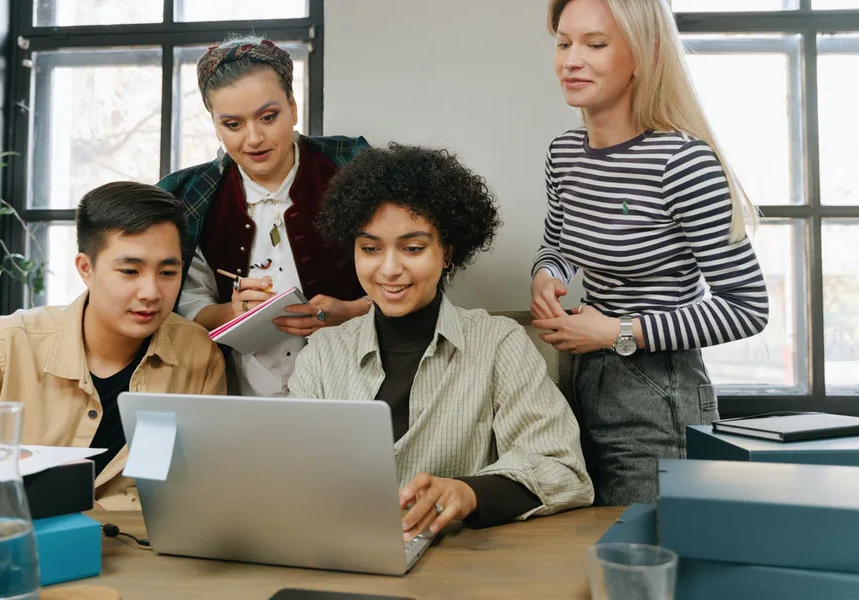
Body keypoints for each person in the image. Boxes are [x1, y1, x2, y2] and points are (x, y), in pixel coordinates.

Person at [531, 0, 770, 506]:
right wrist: (547, 275)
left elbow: (747, 308)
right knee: (587, 546)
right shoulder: (564, 153)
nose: (571, 60)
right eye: (563, 43)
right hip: (582, 379)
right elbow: (559, 246)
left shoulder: (683, 163)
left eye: (596, 44)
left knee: (647, 549)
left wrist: (614, 331)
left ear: (644, 55)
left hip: (660, 390)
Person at [288, 144, 593, 539]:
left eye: (412, 248)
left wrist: (467, 493)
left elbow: (563, 469)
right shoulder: (323, 354)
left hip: (461, 564)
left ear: (447, 251)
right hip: (342, 554)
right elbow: (290, 474)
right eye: (370, 249)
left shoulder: (498, 344)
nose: (390, 269)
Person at [0, 182, 225, 509]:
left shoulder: (197, 355)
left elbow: (203, 487)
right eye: (129, 271)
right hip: (20, 534)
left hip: (141, 539)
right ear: (85, 268)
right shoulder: (1, 346)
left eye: (167, 272)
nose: (151, 292)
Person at [159, 36, 372, 397]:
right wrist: (230, 312)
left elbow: (409, 272)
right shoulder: (189, 194)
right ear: (215, 124)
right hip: (239, 393)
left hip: (354, 386)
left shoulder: (350, 166)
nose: (254, 138)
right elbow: (186, 300)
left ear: (293, 107)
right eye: (233, 124)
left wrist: (350, 312)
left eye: (268, 117)